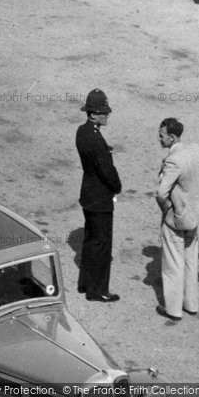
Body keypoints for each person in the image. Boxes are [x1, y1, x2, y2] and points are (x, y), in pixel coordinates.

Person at [155, 118, 199, 321]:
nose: (159, 138)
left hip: (177, 217)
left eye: (161, 135)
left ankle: (173, 309)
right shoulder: (195, 149)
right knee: (191, 258)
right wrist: (197, 186)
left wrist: (168, 209)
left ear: (172, 136)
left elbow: (160, 192)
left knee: (174, 262)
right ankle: (191, 304)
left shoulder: (173, 161)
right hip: (194, 214)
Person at [76, 89, 122, 303]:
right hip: (100, 197)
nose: (107, 115)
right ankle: (98, 290)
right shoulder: (95, 139)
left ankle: (85, 283)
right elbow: (106, 170)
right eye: (103, 112)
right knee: (102, 245)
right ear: (93, 114)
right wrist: (117, 187)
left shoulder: (82, 132)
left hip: (88, 194)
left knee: (90, 240)